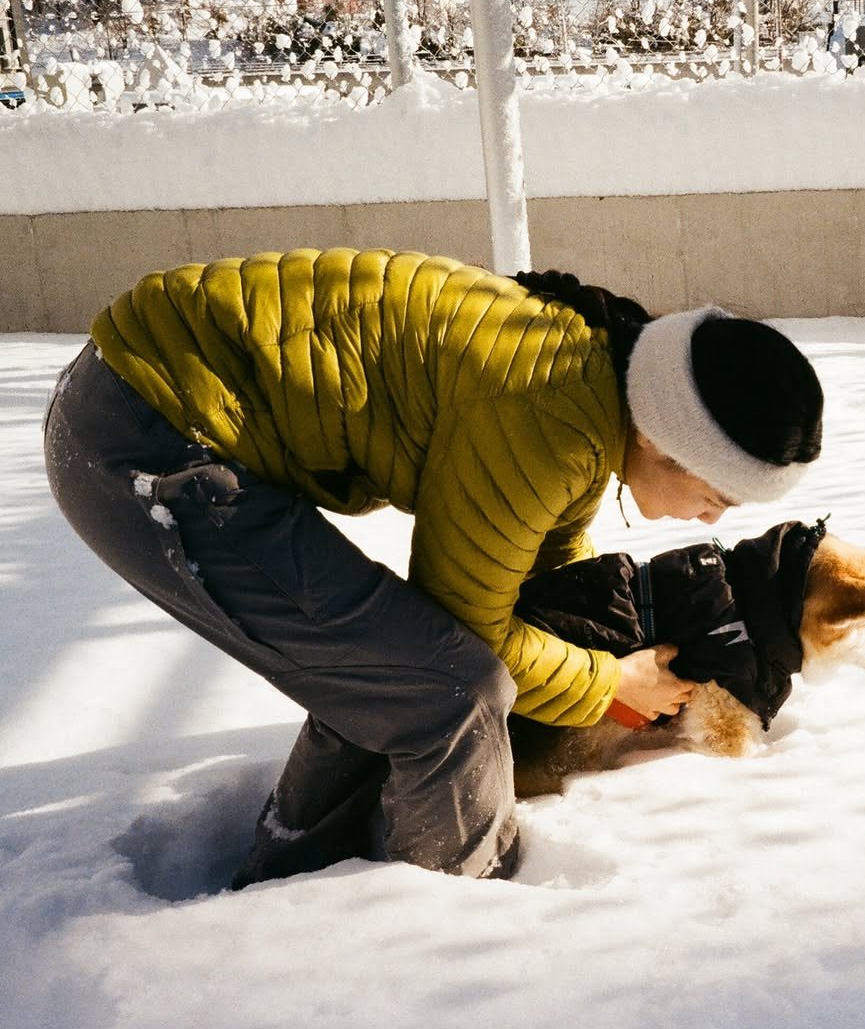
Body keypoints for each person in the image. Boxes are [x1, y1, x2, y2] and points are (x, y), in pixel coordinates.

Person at [42, 247, 824, 885]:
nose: (712, 521)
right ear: (663, 438)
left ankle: (294, 880)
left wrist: (607, 643)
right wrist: (606, 682)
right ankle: (445, 929)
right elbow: (472, 629)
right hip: (147, 439)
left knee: (394, 663)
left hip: (150, 392)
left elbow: (542, 574)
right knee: (449, 688)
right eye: (715, 495)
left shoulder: (593, 383)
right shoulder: (549, 417)